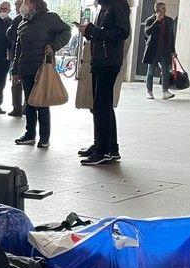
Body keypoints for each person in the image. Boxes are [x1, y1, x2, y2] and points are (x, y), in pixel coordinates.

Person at [10, 0, 69, 148]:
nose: (23, 4)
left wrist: (55, 45)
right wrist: (15, 70)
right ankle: (29, 134)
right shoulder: (22, 23)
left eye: (26, 1)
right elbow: (18, 49)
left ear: (35, 4)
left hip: (42, 67)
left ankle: (44, 137)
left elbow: (66, 30)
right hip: (26, 68)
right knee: (29, 102)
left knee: (42, 102)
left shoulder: (50, 18)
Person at [78, 0, 130, 165]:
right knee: (101, 106)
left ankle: (103, 151)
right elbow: (103, 32)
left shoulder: (117, 4)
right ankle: (108, 147)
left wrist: (94, 30)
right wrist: (89, 32)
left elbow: (122, 32)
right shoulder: (105, 5)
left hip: (109, 61)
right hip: (100, 60)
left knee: (101, 105)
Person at [142, 2, 176, 100]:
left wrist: (173, 51)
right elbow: (147, 32)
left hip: (165, 51)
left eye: (165, 8)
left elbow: (171, 37)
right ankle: (149, 91)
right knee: (150, 71)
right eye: (163, 8)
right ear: (157, 10)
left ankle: (165, 92)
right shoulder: (150, 20)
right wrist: (156, 21)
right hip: (153, 50)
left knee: (165, 71)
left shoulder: (169, 20)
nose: (165, 10)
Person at [5, 0, 25, 116]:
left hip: (19, 55)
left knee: (17, 82)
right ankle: (24, 107)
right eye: (16, 4)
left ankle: (17, 108)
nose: (17, 6)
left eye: (19, 4)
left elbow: (10, 34)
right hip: (21, 54)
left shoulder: (18, 19)